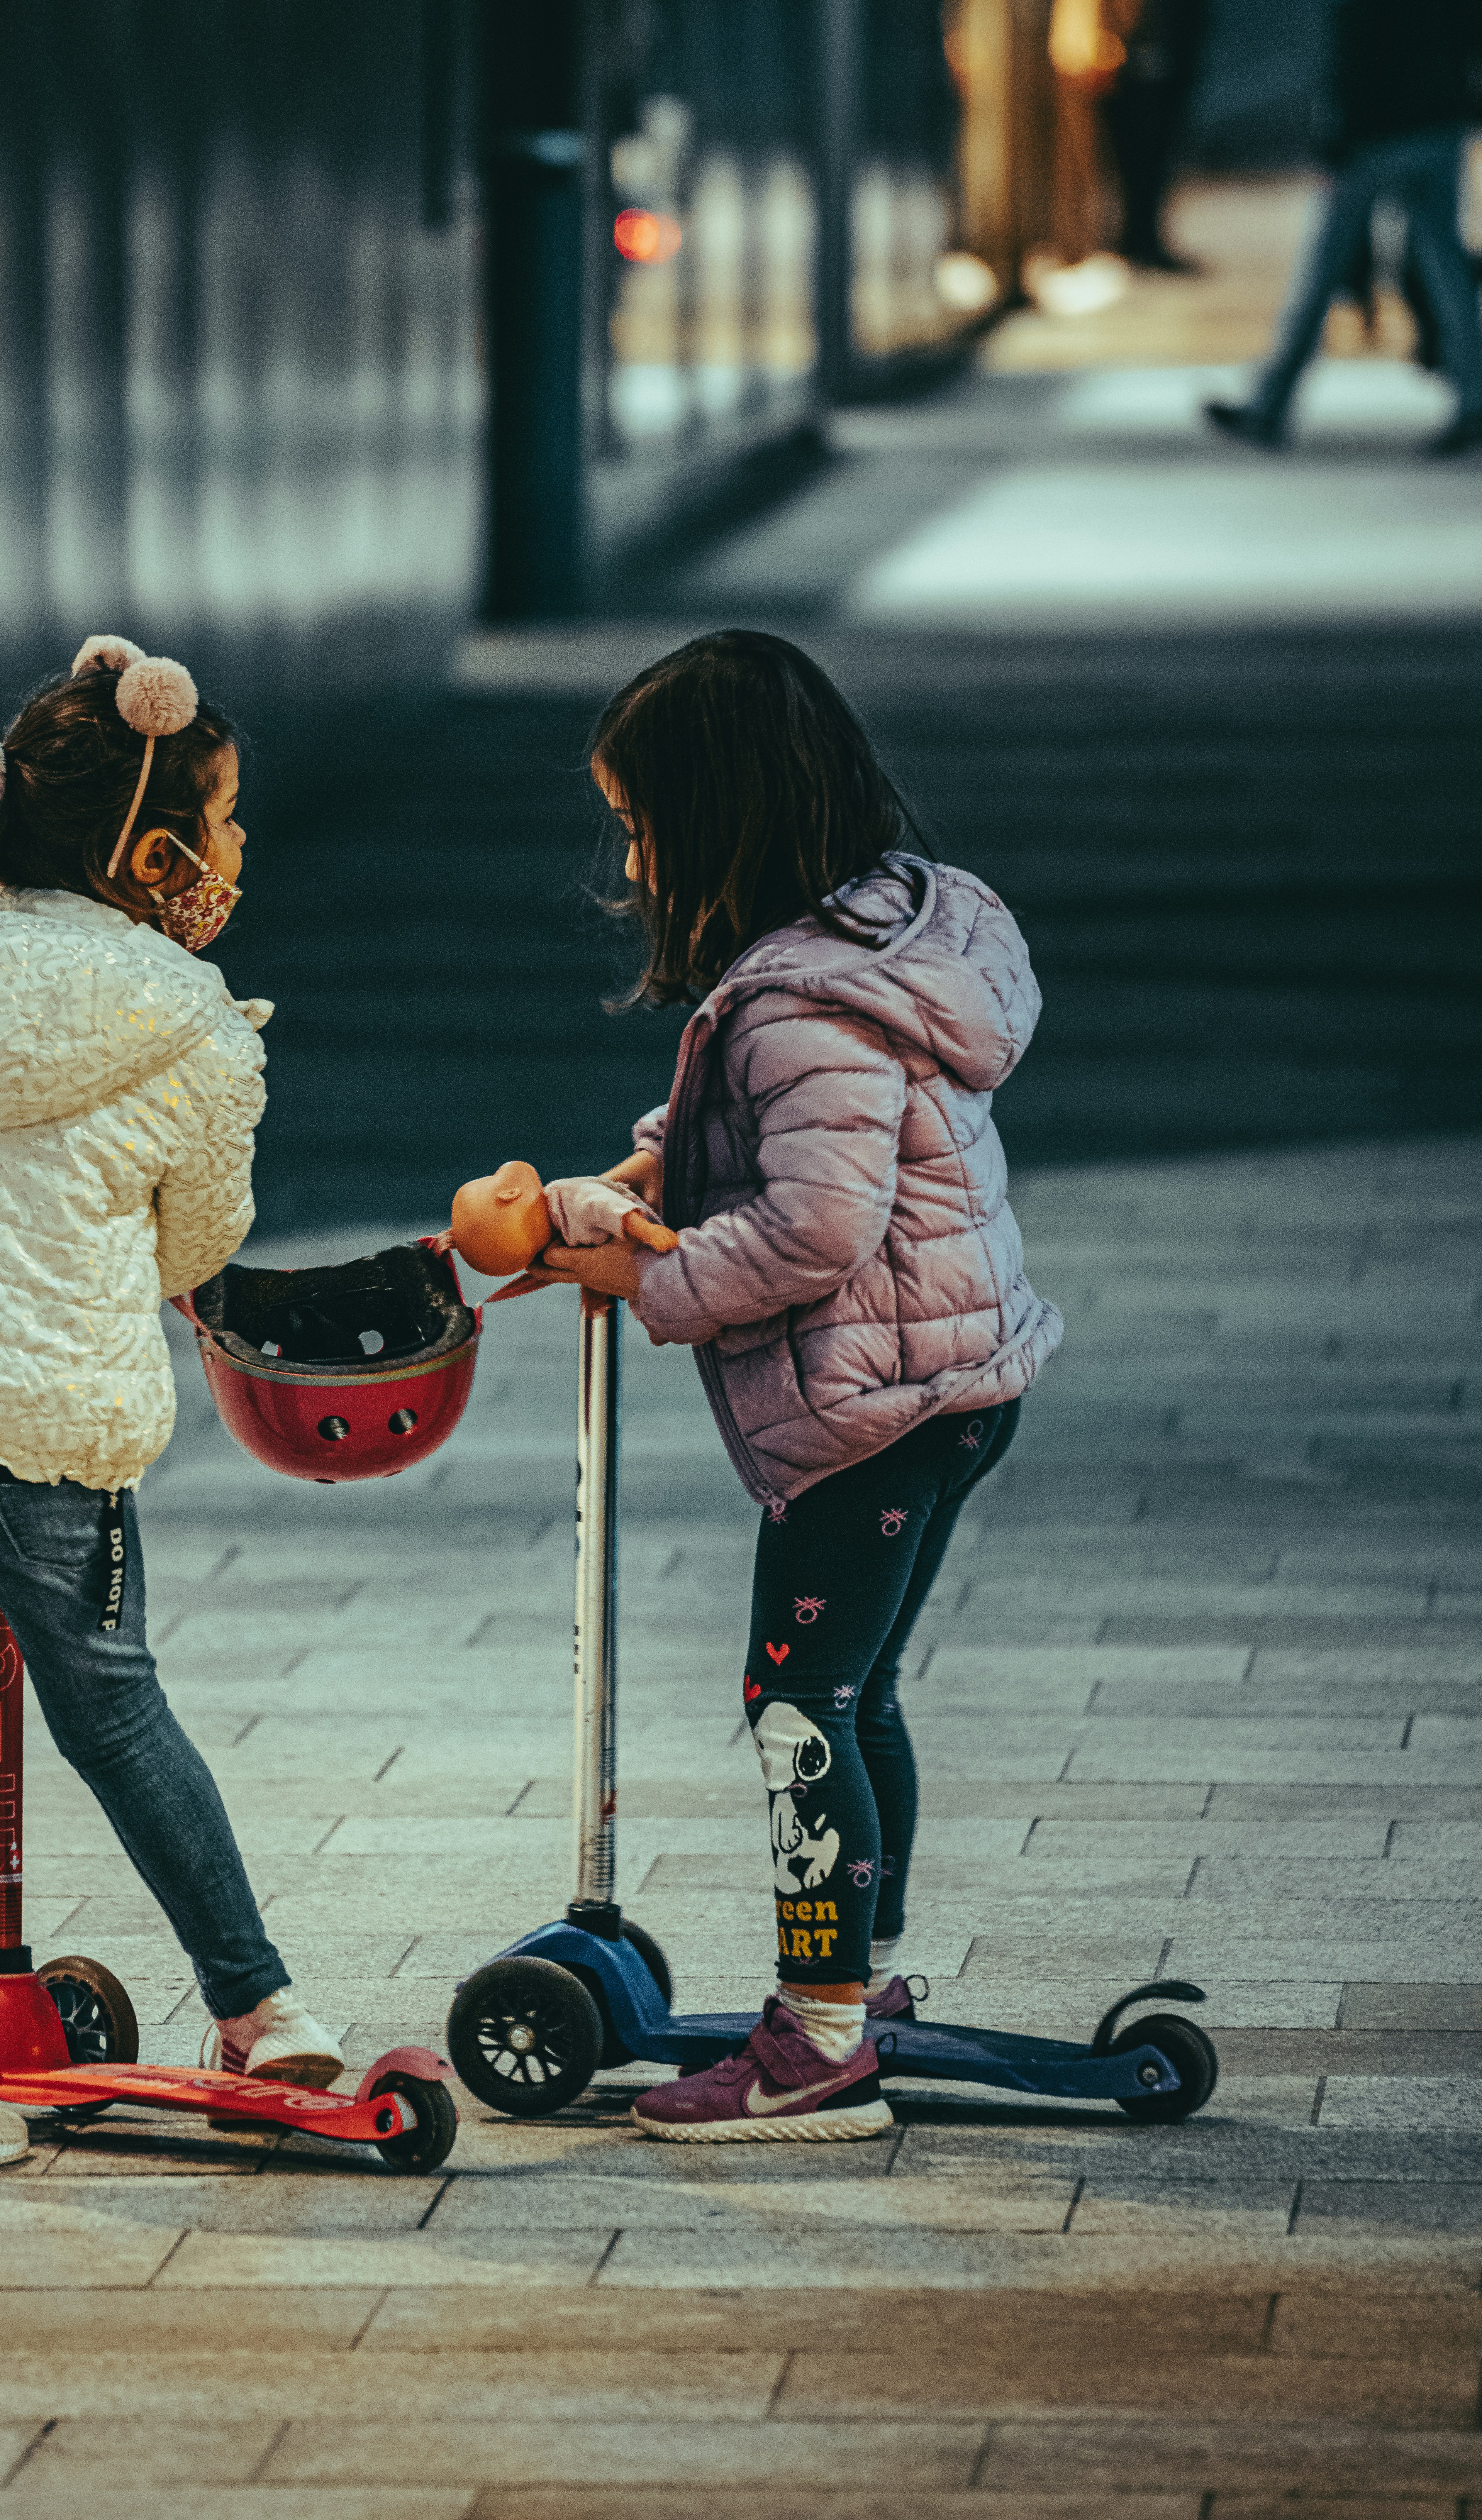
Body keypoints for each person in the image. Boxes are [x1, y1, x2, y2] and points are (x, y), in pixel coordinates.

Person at [0, 633, 343, 2186]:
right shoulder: (194, 1012)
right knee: (122, 1715)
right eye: (228, 823)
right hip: (42, 1435)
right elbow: (196, 1243)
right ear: (158, 854)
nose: (240, 851)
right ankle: (262, 2008)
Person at [538, 631, 1060, 2144]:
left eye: (640, 824)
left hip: (882, 1396)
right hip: (954, 1373)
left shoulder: (792, 999)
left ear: (714, 820)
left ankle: (816, 2042)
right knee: (854, 1681)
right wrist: (651, 1170)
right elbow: (802, 1125)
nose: (630, 859)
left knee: (798, 1701)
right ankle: (857, 1984)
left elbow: (814, 1224)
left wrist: (641, 1276)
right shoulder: (891, 935)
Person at [1206, 0, 1482, 456]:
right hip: (1438, 121)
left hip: (1376, 132)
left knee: (1322, 271)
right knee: (1446, 268)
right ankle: (1474, 401)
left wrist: (1336, 140)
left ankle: (1270, 404)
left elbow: (1355, 52)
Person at [1103, 0, 1212, 272]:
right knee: (1143, 147)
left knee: (1155, 147)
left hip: (1168, 40)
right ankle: (1138, 238)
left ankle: (1142, 237)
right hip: (1144, 45)